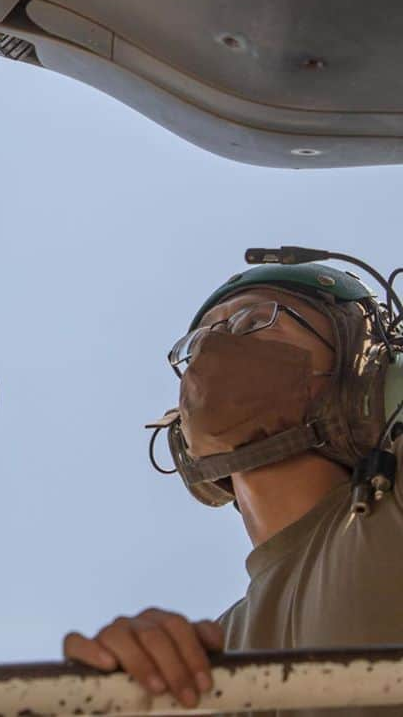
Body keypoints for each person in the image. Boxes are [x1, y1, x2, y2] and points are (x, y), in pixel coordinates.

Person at [63, 254, 403, 712]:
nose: (215, 346)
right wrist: (118, 690)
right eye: (198, 340)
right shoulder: (209, 663)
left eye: (255, 321)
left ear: (363, 375)